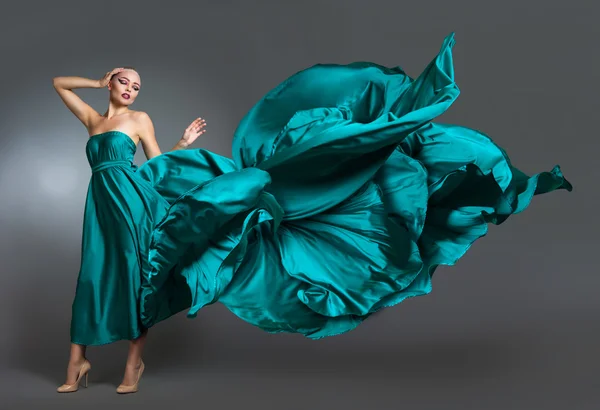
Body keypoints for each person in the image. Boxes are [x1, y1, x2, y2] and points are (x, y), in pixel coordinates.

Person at [52, 32, 572, 395]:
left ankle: (134, 361)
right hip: (101, 200)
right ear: (113, 80)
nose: (131, 89)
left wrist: (184, 143)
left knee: (138, 274)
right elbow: (59, 84)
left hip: (132, 199)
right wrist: (97, 83)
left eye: (136, 85)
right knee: (94, 274)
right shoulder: (96, 119)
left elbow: (159, 165)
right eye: (125, 82)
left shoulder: (139, 120)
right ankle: (77, 364)